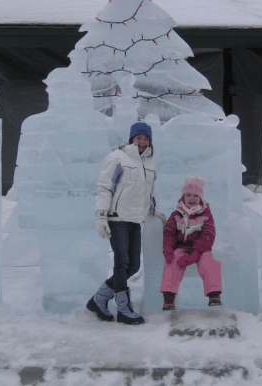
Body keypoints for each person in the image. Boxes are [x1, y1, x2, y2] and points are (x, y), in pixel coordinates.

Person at [87, 122, 165, 325]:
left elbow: (149, 189)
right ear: (131, 139)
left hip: (136, 219)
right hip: (117, 218)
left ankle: (100, 298)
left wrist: (152, 209)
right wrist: (100, 216)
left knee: (133, 266)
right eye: (138, 137)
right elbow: (105, 187)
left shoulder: (150, 160)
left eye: (145, 138)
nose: (142, 141)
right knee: (121, 263)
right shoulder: (117, 157)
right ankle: (123, 308)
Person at [160, 175, 222, 310]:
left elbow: (208, 235)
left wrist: (195, 253)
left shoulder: (206, 214)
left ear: (201, 197)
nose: (191, 199)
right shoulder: (176, 214)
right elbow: (169, 232)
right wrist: (168, 248)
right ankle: (169, 297)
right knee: (173, 261)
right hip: (181, 247)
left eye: (195, 195)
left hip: (201, 248)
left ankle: (214, 294)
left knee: (210, 262)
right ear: (183, 196)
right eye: (188, 195)